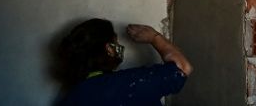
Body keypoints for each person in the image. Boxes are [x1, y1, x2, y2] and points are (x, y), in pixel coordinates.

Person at [56, 18, 192, 105]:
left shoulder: (71, 98)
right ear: (109, 49)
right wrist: (154, 37)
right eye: (115, 41)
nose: (120, 46)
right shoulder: (126, 84)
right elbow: (183, 67)